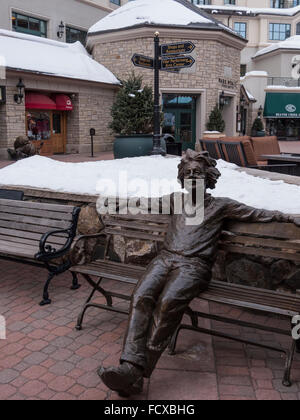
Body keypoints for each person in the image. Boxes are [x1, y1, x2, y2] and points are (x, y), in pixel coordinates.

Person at [99, 149, 300, 397]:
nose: (193, 177)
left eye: (198, 173)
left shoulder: (221, 206)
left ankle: (134, 372)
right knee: (140, 296)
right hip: (165, 259)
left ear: (208, 178)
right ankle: (131, 367)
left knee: (168, 303)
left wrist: (288, 216)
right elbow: (145, 203)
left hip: (194, 266)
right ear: (182, 178)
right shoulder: (175, 200)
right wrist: (117, 201)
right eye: (188, 173)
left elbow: (258, 213)